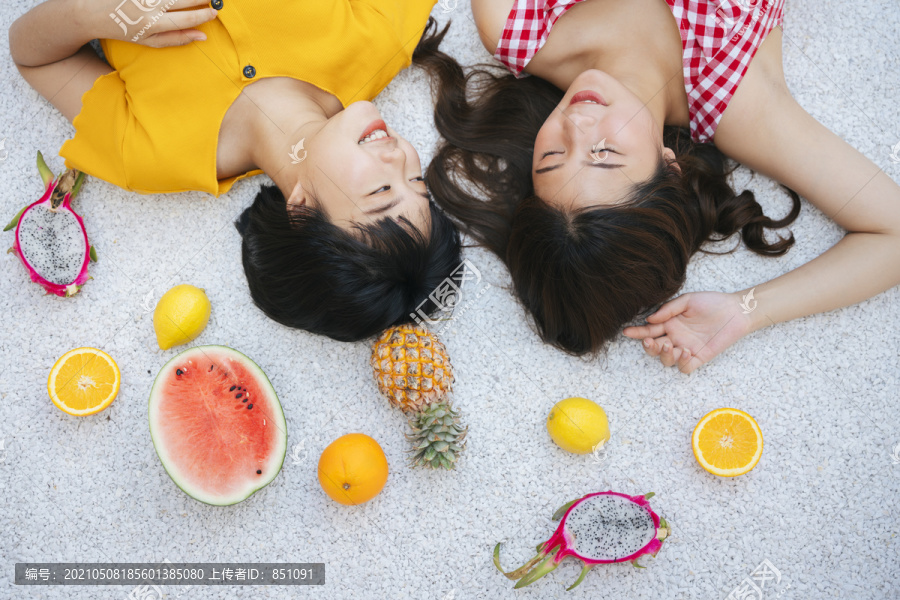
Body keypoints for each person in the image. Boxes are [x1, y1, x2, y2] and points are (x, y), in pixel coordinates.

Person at [425, 0, 900, 372]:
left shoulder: (516, 22)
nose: (577, 124)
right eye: (604, 154)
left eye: (551, 157)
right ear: (670, 169)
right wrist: (747, 310)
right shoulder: (739, 102)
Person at [10, 0, 461, 342]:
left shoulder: (153, 155)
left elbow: (32, 54)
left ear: (302, 209)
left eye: (382, 190)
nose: (401, 158)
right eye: (417, 182)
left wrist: (105, 16)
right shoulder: (381, 34)